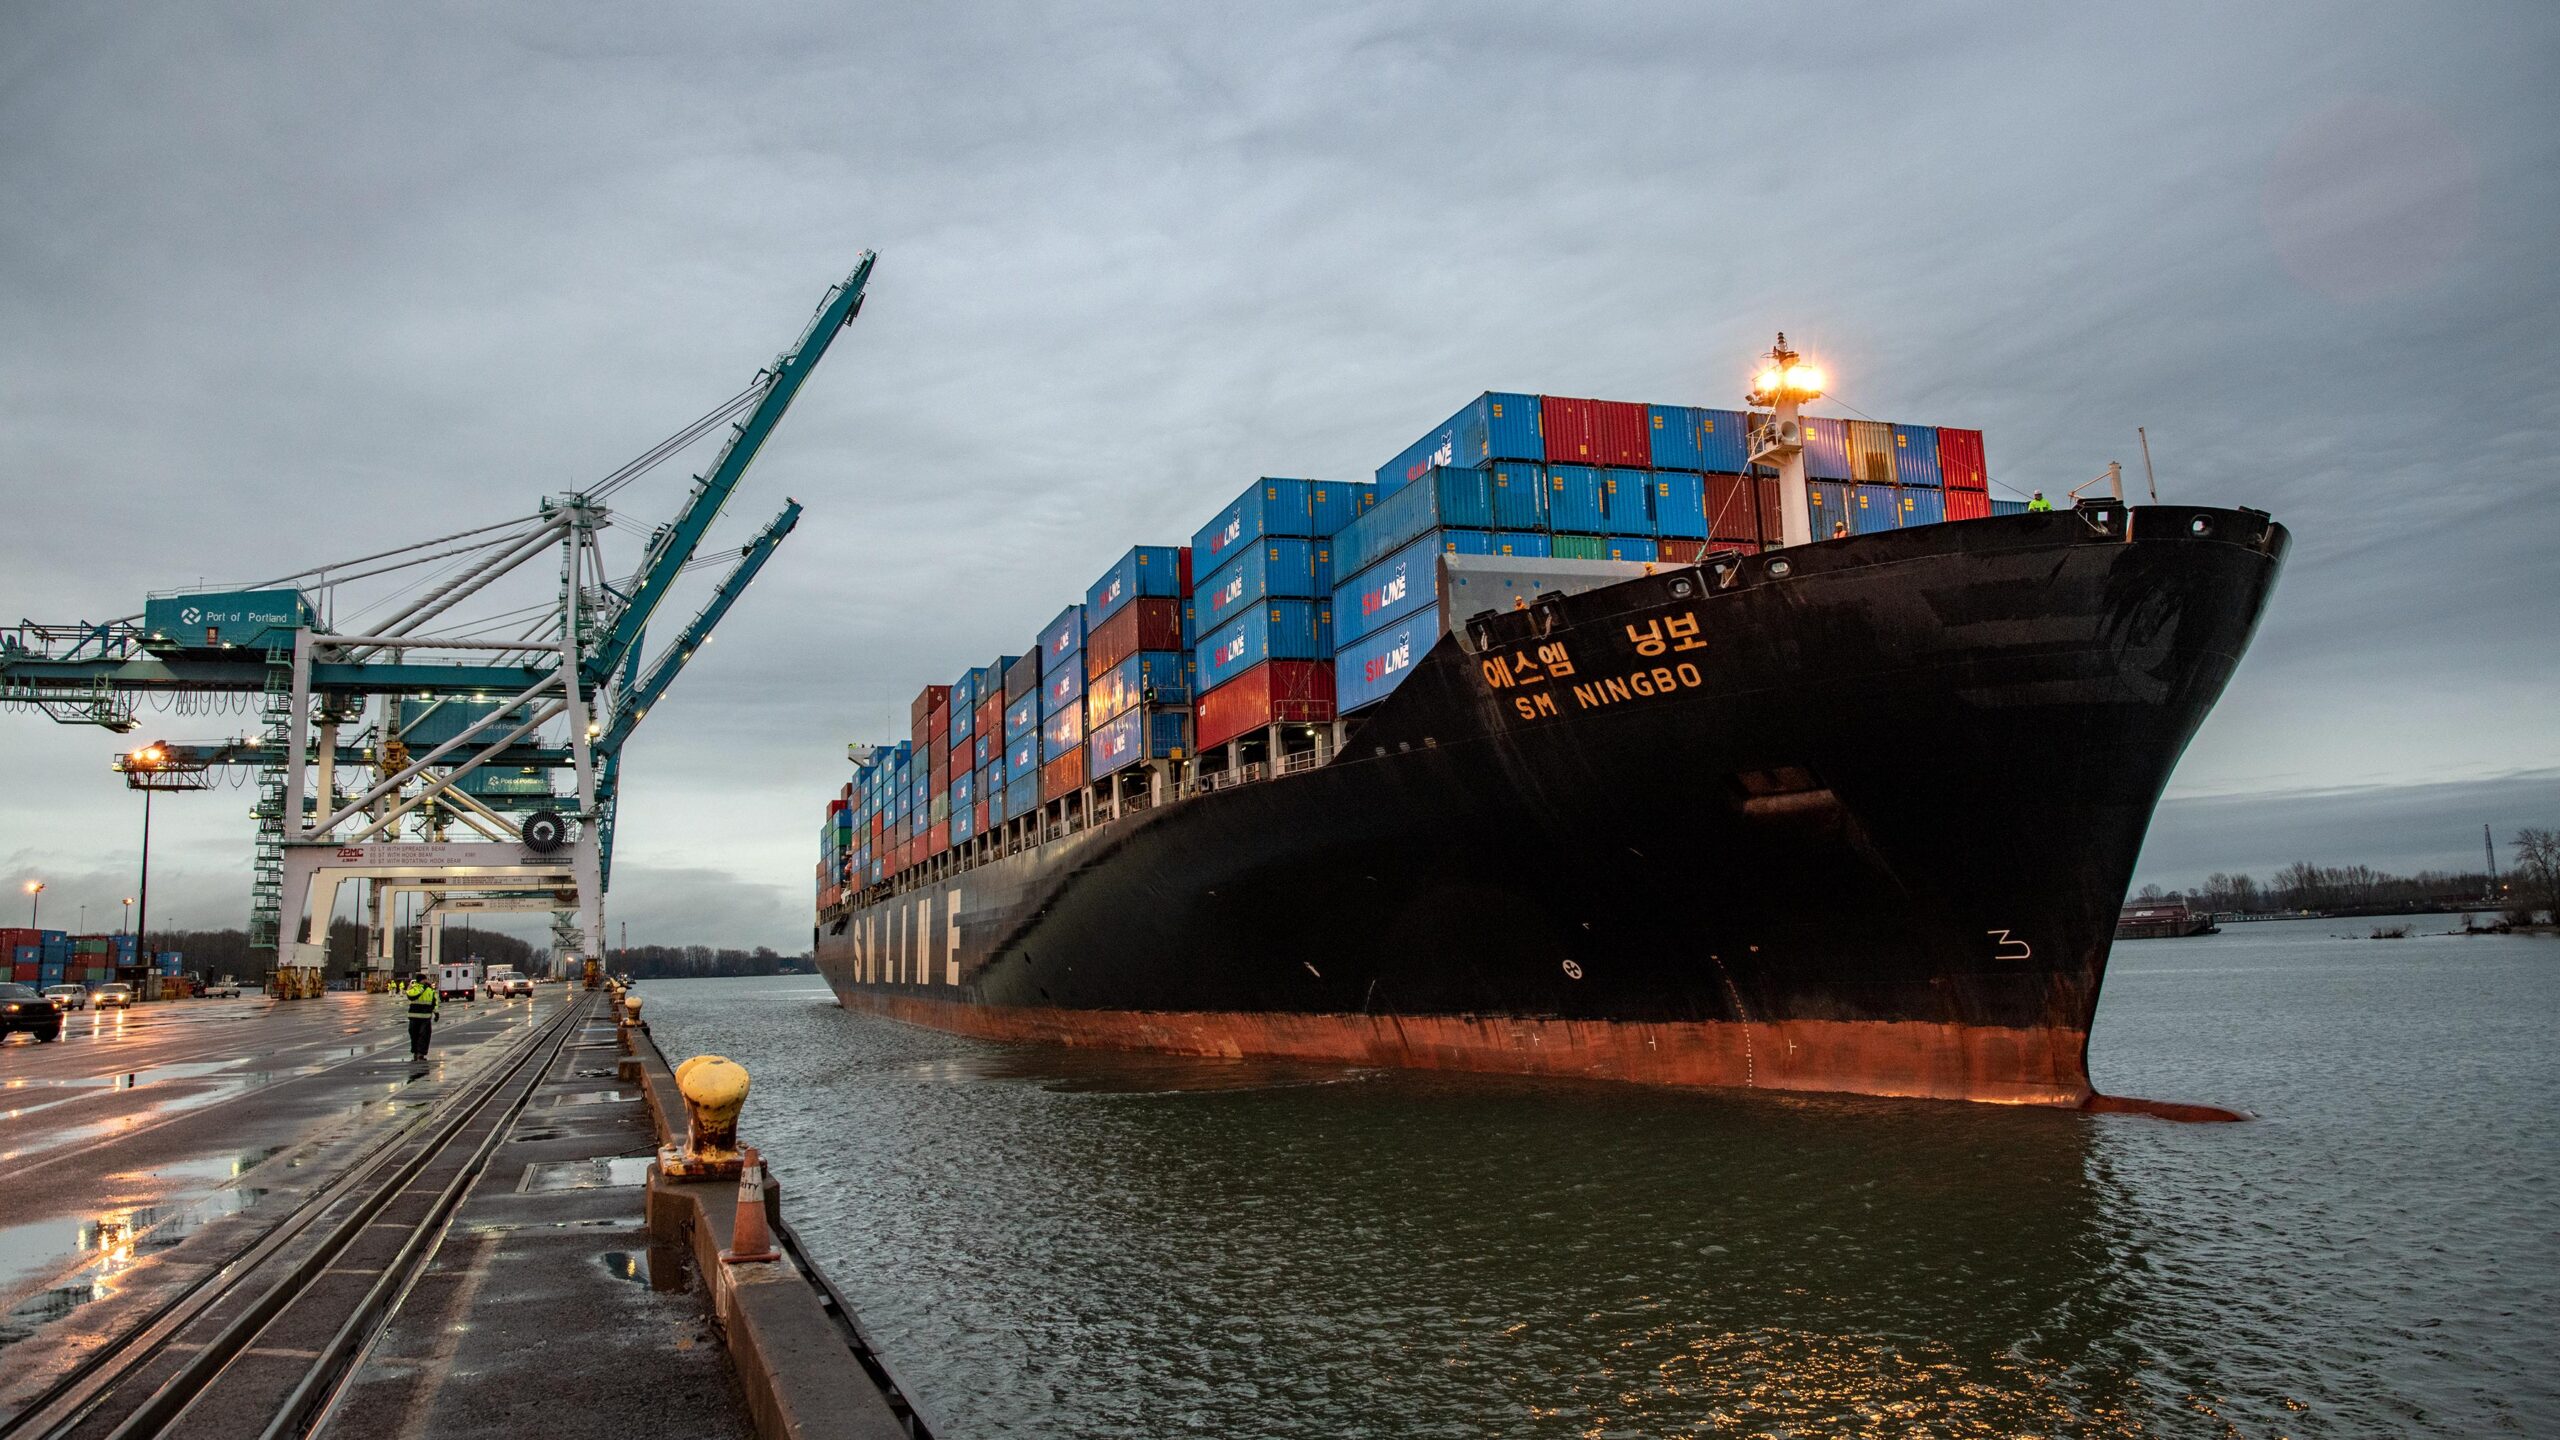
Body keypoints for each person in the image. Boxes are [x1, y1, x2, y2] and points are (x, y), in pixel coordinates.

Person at [404, 973, 439, 1060]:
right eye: (426, 979)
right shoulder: (420, 988)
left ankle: (418, 1052)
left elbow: (433, 1002)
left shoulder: (423, 989)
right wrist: (436, 1013)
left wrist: (436, 1012)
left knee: (418, 1036)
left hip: (419, 1017)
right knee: (421, 1036)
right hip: (422, 1017)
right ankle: (419, 1052)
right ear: (423, 980)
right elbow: (411, 996)